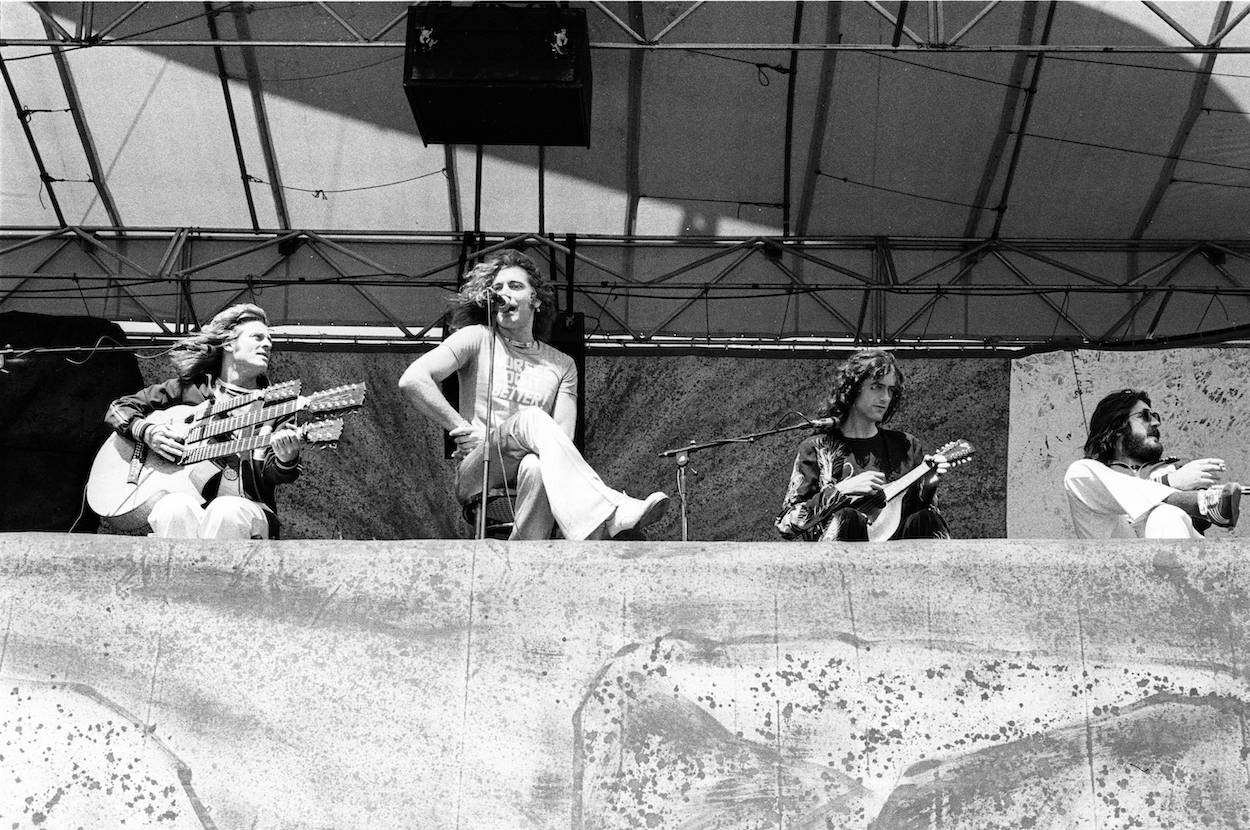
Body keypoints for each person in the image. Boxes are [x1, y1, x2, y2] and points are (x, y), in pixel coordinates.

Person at [398, 250, 669, 541]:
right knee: (532, 419)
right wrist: (462, 427)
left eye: (515, 286)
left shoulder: (562, 364)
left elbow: (561, 444)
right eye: (498, 288)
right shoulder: (476, 337)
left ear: (536, 300)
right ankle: (612, 508)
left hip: (532, 470)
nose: (504, 293)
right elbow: (413, 379)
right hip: (480, 471)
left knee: (537, 466)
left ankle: (526, 558)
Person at [104, 303, 305, 539]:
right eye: (257, 337)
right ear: (229, 343)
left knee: (226, 510)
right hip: (189, 503)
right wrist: (148, 432)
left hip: (249, 509)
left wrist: (286, 458)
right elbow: (119, 408)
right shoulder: (190, 390)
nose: (268, 344)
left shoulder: (276, 405)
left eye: (269, 340)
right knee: (172, 507)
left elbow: (275, 473)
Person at [775, 348, 951, 541]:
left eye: (890, 390)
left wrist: (926, 484)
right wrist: (841, 491)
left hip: (900, 558)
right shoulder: (817, 448)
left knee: (927, 518)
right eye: (876, 387)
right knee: (848, 518)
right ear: (853, 388)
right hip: (837, 562)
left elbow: (925, 515)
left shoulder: (906, 446)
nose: (885, 397)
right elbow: (786, 525)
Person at [1064, 388, 1241, 539]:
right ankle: (1199, 503)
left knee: (1166, 515)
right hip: (1118, 561)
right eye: (1145, 416)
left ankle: (1202, 504)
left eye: (1155, 416)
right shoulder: (1096, 476)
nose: (1156, 422)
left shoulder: (1179, 469)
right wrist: (1169, 483)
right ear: (1117, 426)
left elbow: (1198, 524)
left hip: (1176, 561)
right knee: (1078, 471)